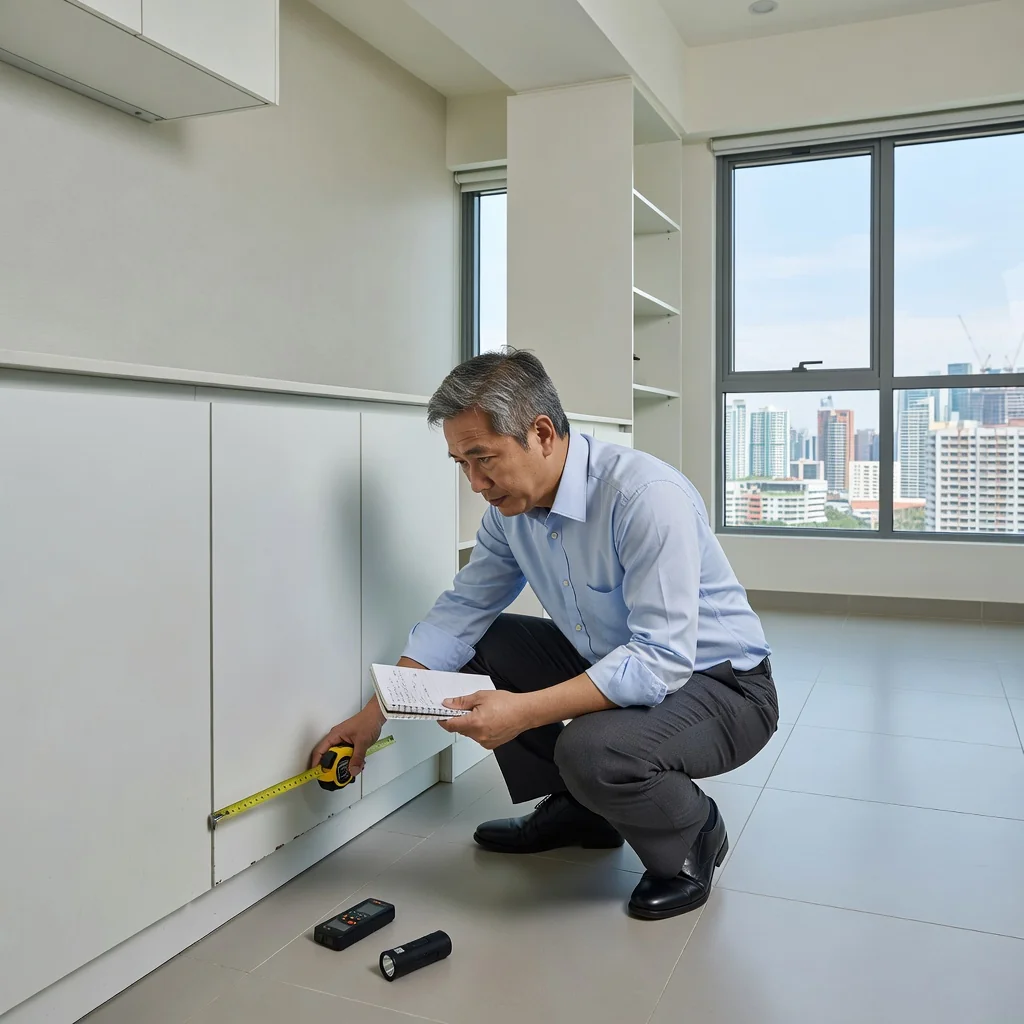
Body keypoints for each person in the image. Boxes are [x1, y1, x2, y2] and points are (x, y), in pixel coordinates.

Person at [312, 348, 777, 919]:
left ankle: (693, 833)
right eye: (461, 463)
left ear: (541, 432)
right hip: (619, 659)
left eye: (484, 459)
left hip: (723, 686)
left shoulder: (644, 498)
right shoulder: (509, 515)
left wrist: (524, 710)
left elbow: (660, 660)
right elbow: (461, 612)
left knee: (592, 750)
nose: (475, 482)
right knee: (481, 644)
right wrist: (373, 714)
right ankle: (582, 810)